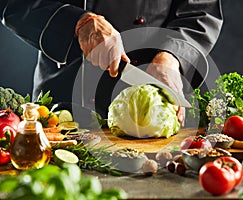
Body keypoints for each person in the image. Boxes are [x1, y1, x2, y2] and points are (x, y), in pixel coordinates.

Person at [0, 0, 223, 126]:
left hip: (146, 106)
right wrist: (78, 22)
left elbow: (201, 10)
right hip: (63, 97)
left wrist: (171, 57)